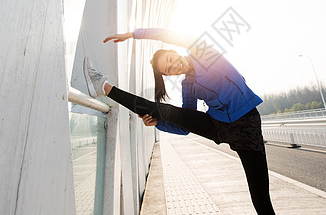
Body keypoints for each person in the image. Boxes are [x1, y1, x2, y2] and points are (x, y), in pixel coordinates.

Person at [83, 28, 276, 215]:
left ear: (174, 51)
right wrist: (158, 123)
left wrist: (134, 34)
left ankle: (104, 86)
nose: (174, 67)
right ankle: (103, 87)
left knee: (260, 197)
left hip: (246, 126)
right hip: (218, 127)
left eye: (170, 60)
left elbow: (167, 34)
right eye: (168, 70)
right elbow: (185, 126)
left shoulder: (203, 52)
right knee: (162, 111)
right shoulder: (187, 85)